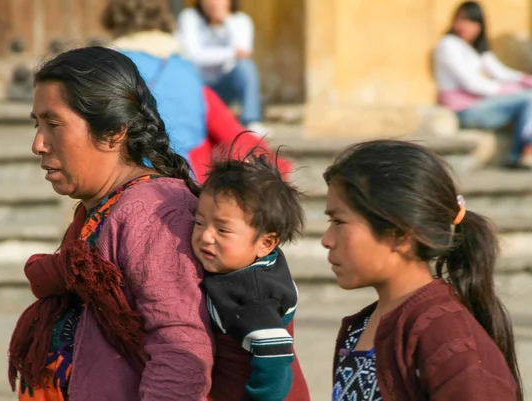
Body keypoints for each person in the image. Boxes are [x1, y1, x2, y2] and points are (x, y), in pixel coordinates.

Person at [8, 46, 214, 400]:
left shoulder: (152, 212)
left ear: (114, 131)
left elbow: (181, 350)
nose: (38, 144)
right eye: (37, 124)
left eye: (53, 124)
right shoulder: (100, 210)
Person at [321, 139, 522, 400]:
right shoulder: (361, 328)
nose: (326, 239)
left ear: (400, 233)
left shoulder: (447, 337)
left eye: (339, 221)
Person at [102, 0, 285, 183]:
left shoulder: (109, 65)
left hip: (131, 177)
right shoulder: (183, 65)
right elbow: (224, 127)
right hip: (190, 177)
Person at [192, 145, 310, 401]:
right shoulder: (260, 261)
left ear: (265, 243)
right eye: (199, 222)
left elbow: (275, 352)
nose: (206, 236)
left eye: (223, 230)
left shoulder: (251, 292)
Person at [434, 0, 532, 169]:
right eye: (461, 19)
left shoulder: (475, 49)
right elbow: (473, 84)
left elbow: (501, 72)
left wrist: (524, 80)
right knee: (528, 98)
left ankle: (519, 153)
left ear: (480, 26)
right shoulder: (448, 45)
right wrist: (511, 89)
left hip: (482, 105)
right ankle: (526, 151)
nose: (465, 26)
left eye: (471, 21)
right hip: (466, 110)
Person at [177, 0, 266, 134]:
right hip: (198, 86)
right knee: (185, 69)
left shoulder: (241, 20)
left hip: (225, 85)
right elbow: (192, 56)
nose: (213, 2)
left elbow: (244, 53)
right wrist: (231, 53)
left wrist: (226, 21)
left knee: (246, 67)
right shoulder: (189, 17)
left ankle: (251, 121)